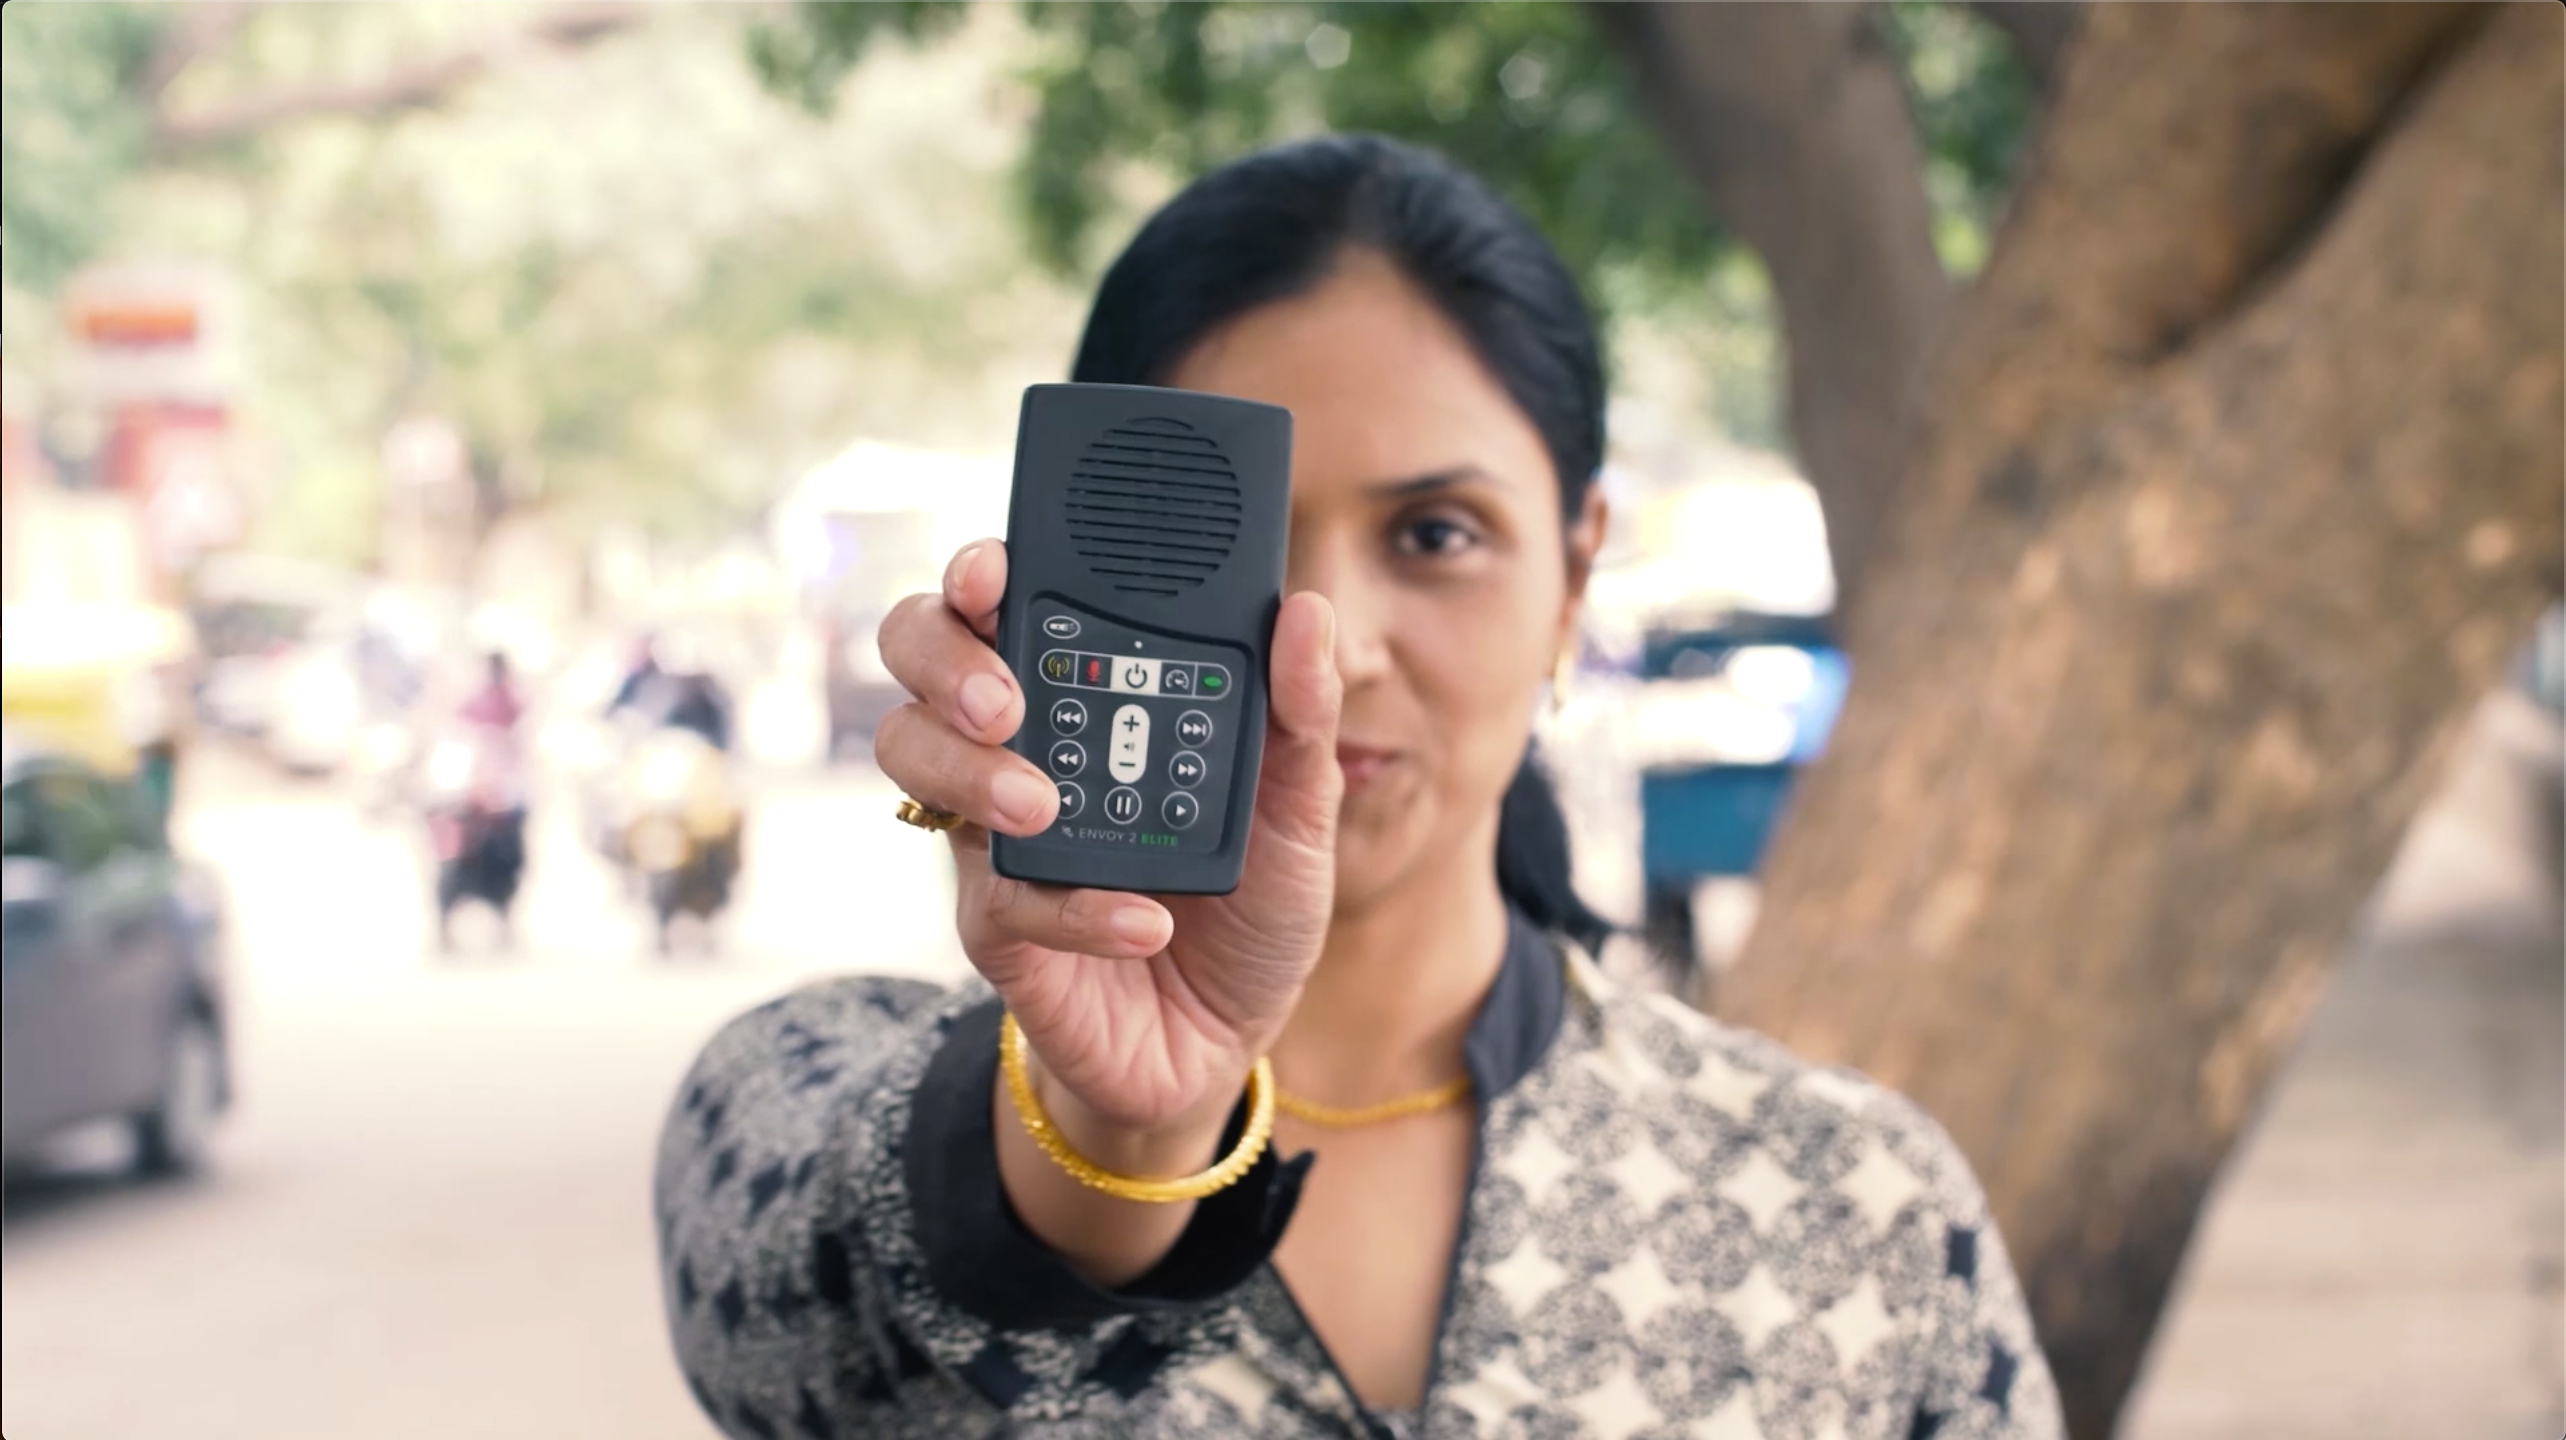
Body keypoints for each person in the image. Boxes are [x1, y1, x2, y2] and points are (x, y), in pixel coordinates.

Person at [656, 135, 2062, 1440]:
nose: (1325, 642)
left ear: (1573, 576)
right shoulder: (797, 1108)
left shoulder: (1856, 1213)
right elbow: (797, 1340)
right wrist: (1123, 1123)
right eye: (1232, 531)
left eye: (1435, 532)